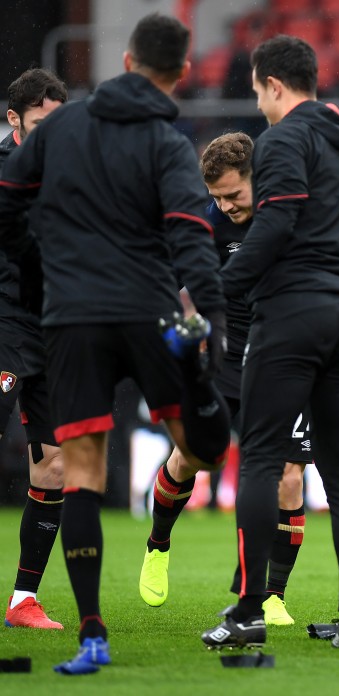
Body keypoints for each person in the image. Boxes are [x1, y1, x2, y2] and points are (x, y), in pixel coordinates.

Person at [0, 13, 230, 675]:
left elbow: (8, 204)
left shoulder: (62, 128)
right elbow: (190, 234)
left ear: (126, 61)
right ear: (181, 72)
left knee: (82, 476)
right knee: (204, 448)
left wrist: (47, 254)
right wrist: (209, 319)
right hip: (146, 310)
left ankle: (92, 635)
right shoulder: (166, 141)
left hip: (70, 320)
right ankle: (199, 410)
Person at [200, 34, 339, 652]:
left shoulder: (282, 140)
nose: (259, 106)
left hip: (293, 313)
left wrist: (217, 291)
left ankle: (249, 610)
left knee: (258, 458)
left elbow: (275, 224)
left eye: (257, 93)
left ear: (275, 85)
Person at [137, 132, 314, 627]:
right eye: (216, 196)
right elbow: (164, 285)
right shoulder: (207, 224)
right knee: (190, 456)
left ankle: (271, 595)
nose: (225, 205)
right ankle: (158, 543)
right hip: (225, 360)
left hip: (286, 359)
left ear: (259, 179)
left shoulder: (293, 211)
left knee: (288, 476)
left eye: (234, 194)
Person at [1, 67, 67, 631]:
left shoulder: (72, 172)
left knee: (54, 463)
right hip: (2, 325)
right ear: (14, 119)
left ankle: (23, 600)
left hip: (51, 331)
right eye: (41, 125)